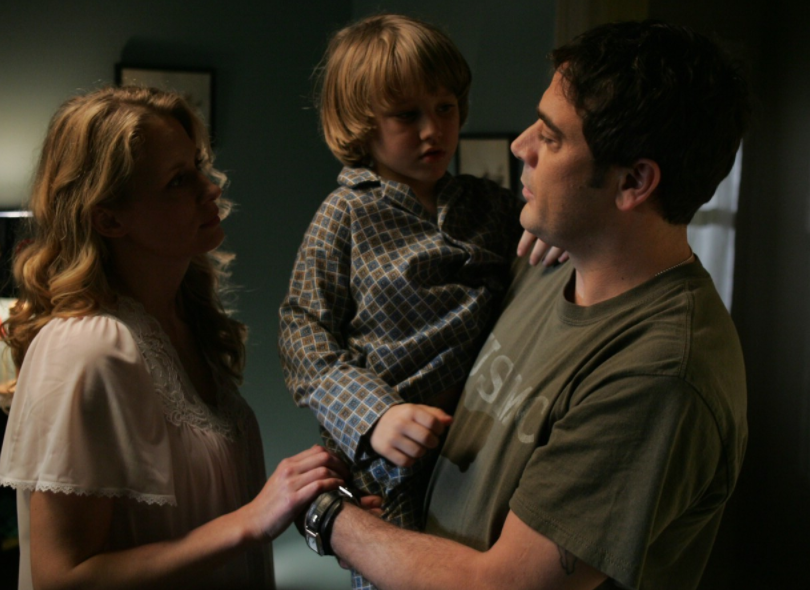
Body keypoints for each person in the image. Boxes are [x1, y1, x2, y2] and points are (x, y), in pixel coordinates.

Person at [296, 19, 751, 590]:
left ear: (633, 182)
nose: (520, 145)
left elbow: (502, 585)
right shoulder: (539, 263)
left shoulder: (659, 375)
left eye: (551, 137)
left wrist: (328, 517)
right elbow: (310, 332)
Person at [0, 86, 348, 590]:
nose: (211, 189)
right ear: (109, 217)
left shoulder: (183, 322)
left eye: (199, 167)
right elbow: (62, 579)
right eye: (178, 180)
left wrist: (297, 499)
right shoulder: (87, 348)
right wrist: (252, 520)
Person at [278, 14, 560, 590]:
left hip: (485, 446)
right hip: (386, 463)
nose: (434, 130)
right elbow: (301, 333)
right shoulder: (345, 215)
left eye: (445, 107)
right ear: (362, 124)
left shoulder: (490, 205)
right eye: (407, 115)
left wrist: (557, 228)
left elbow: (547, 245)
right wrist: (373, 415)